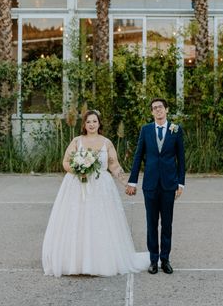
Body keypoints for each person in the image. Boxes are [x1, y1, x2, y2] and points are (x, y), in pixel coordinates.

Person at [42, 110, 149, 277]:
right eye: (88, 122)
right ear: (84, 125)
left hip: (102, 189)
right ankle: (76, 262)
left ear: (99, 124)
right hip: (78, 187)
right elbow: (65, 162)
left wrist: (127, 183)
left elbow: (114, 166)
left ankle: (99, 262)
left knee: (100, 222)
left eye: (94, 121)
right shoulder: (77, 141)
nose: (91, 124)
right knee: (78, 221)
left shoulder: (107, 143)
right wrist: (78, 170)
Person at [126, 98, 185, 275]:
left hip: (169, 184)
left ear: (166, 109)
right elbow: (138, 157)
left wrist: (180, 182)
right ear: (151, 112)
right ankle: (153, 259)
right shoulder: (146, 130)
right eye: (154, 108)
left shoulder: (176, 130)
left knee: (167, 223)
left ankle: (165, 259)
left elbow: (181, 159)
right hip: (150, 184)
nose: (158, 110)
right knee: (151, 223)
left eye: (160, 107)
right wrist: (132, 181)